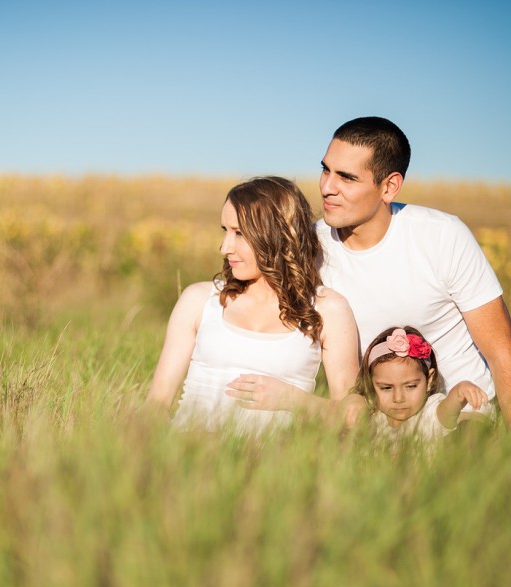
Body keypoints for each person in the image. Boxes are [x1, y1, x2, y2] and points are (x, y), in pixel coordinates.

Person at [227, 117, 511, 426]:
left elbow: (502, 353)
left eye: (346, 178)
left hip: (462, 417)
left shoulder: (443, 236)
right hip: (375, 424)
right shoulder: (310, 246)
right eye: (326, 170)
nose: (327, 187)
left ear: (389, 186)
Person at [145, 176, 359, 435]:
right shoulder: (199, 300)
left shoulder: (328, 309)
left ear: (278, 234)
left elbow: (354, 416)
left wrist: (293, 399)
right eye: (225, 231)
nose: (225, 247)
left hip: (275, 468)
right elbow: (156, 406)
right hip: (189, 458)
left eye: (239, 233)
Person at [351, 326, 489, 445]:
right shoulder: (374, 416)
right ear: (370, 384)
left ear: (429, 380)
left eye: (410, 386)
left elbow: (448, 410)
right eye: (386, 388)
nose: (398, 398)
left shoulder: (430, 413)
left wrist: (460, 391)